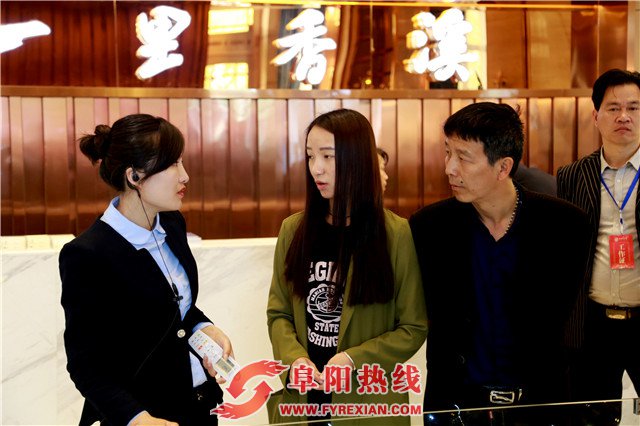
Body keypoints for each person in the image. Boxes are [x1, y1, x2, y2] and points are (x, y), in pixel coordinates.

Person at [409, 102, 590, 425]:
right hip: (456, 406)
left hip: (541, 406)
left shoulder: (565, 226)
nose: (450, 168)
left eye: (463, 158)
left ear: (503, 167)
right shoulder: (429, 228)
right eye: (448, 153)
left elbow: (565, 320)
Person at [60, 114, 232, 426]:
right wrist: (137, 419)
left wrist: (202, 327)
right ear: (135, 176)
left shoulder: (171, 223)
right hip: (144, 416)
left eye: (182, 162)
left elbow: (171, 306)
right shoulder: (87, 254)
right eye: (172, 164)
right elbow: (86, 365)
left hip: (199, 403)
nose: (185, 176)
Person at [267, 108, 428, 425]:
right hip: (305, 401)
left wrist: (354, 359)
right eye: (311, 156)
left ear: (357, 159)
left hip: (366, 404)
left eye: (328, 156)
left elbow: (413, 327)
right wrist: (295, 359)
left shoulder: (395, 234)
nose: (316, 168)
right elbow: (279, 313)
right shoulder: (293, 230)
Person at [557, 69, 640, 424]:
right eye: (613, 108)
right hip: (592, 324)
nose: (624, 116)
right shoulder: (572, 175)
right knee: (593, 417)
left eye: (634, 108)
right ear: (595, 116)